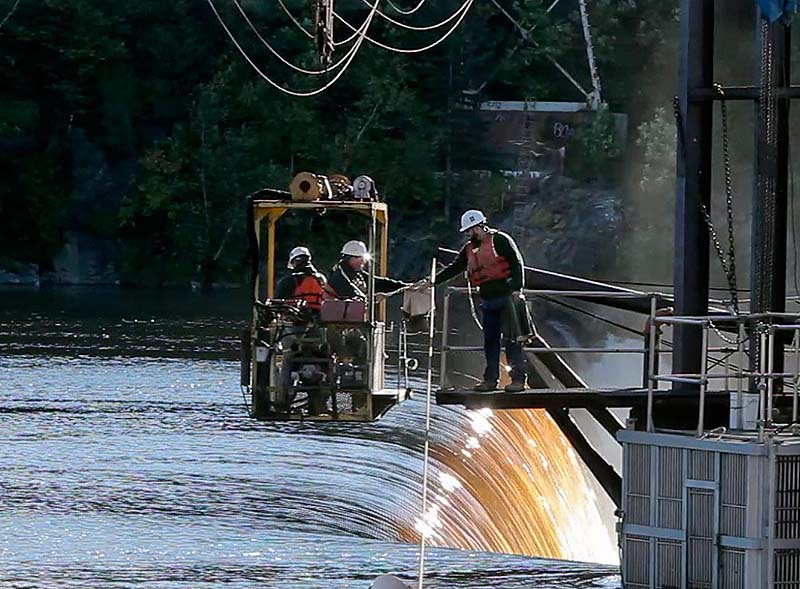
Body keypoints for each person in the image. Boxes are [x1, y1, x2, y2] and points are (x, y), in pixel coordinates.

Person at [432, 209, 528, 393]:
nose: (467, 234)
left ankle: (518, 380)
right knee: (490, 342)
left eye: (469, 230)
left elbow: (516, 263)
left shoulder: (500, 240)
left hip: (506, 299)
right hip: (488, 300)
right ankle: (490, 380)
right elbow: (455, 267)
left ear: (477, 227)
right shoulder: (469, 249)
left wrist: (517, 289)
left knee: (512, 341)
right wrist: (433, 281)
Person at [327, 240, 408, 300]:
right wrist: (372, 298)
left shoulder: (356, 273)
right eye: (360, 258)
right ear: (349, 258)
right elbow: (351, 294)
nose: (363, 261)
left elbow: (378, 283)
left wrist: (404, 286)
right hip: (340, 318)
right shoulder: (339, 275)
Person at [276, 246, 327, 315]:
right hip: (319, 319)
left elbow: (277, 303)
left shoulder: (288, 280)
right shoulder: (322, 278)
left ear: (295, 262)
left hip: (295, 320)